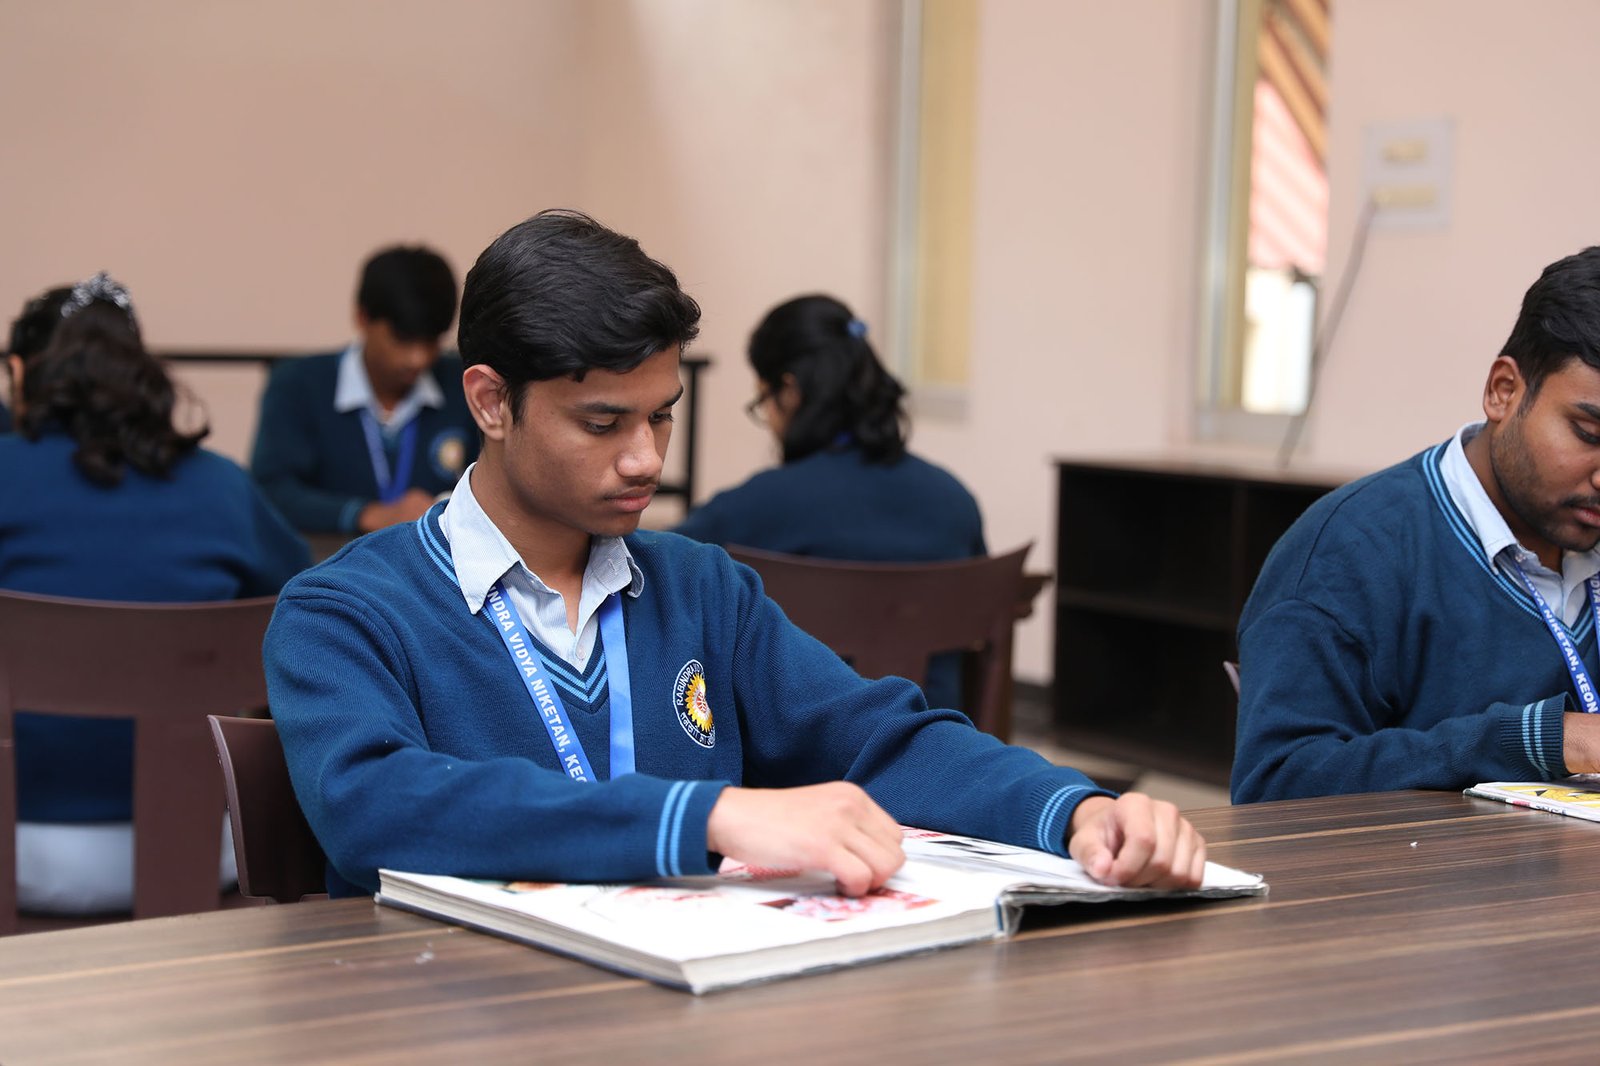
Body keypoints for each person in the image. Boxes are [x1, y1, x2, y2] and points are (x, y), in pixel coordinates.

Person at [264, 209, 1206, 902]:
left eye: (662, 416)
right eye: (603, 423)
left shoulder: (700, 587)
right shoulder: (345, 611)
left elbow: (878, 737)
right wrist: (706, 816)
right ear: (491, 402)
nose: (646, 458)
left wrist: (1077, 811)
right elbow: (376, 804)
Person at [1233, 246, 1600, 803]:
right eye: (1589, 434)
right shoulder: (1349, 552)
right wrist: (1536, 741)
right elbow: (1275, 786)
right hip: (1424, 865)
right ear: (1503, 391)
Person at [0, 274, 310, 914]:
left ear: (24, 374)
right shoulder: (224, 490)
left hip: (17, 849)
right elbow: (312, 613)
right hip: (204, 849)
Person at [672, 294, 986, 710]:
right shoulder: (955, 500)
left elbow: (655, 578)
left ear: (789, 391)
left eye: (763, 401)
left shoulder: (754, 506)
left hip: (799, 744)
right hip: (930, 737)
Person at [250, 244, 479, 535]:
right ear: (362, 318)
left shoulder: (465, 382)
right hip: (327, 559)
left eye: (431, 341)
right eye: (402, 339)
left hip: (439, 559)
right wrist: (365, 514)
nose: (418, 358)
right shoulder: (298, 384)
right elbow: (271, 491)